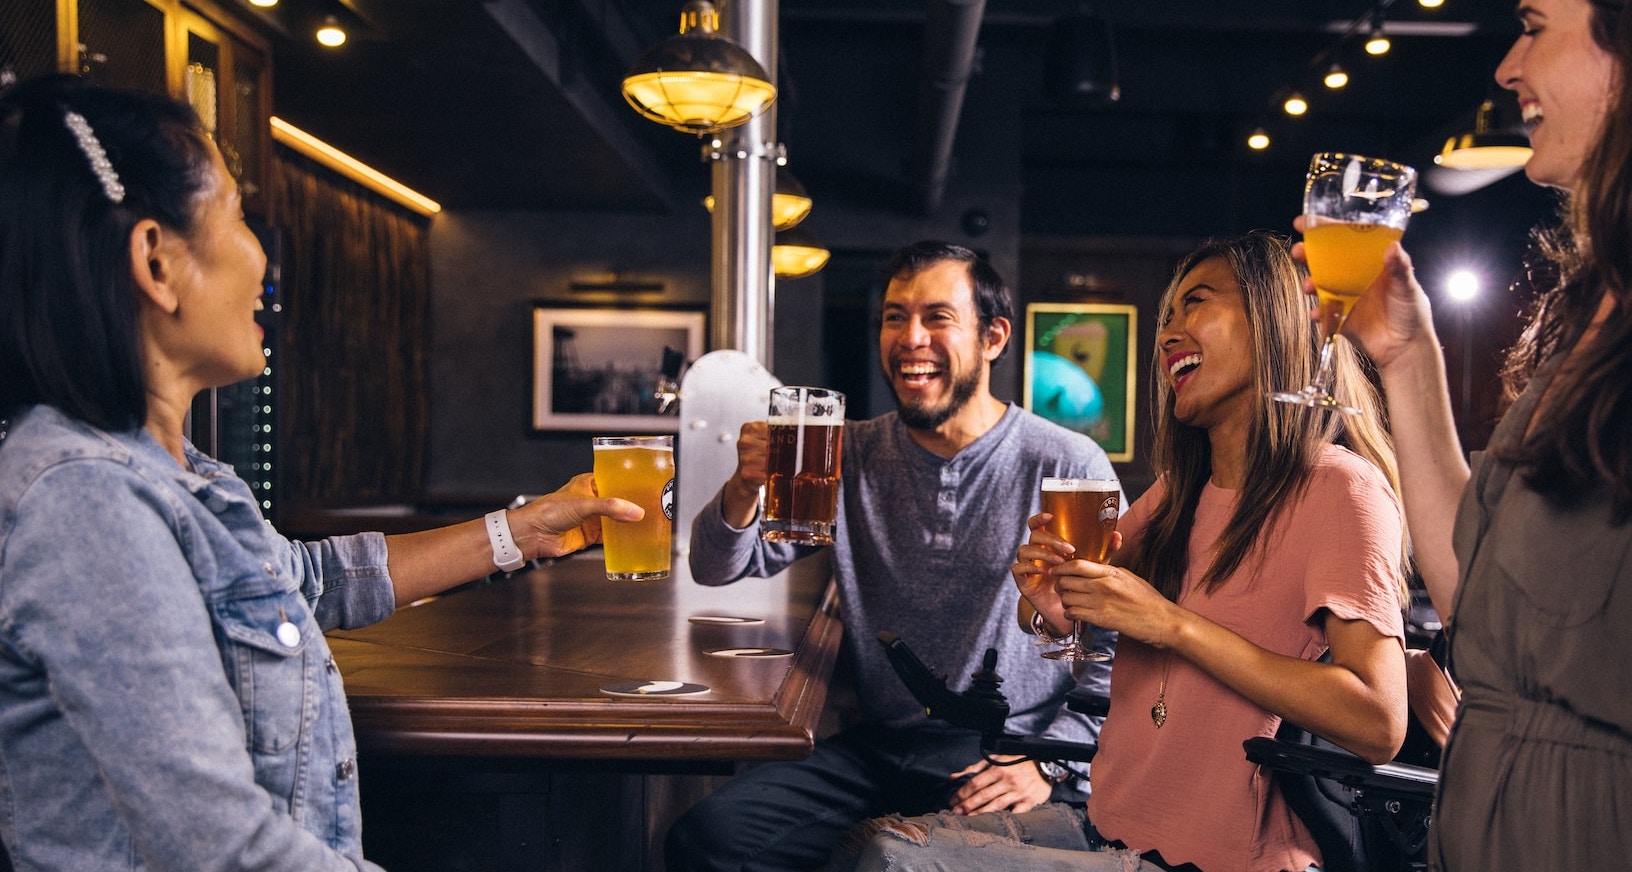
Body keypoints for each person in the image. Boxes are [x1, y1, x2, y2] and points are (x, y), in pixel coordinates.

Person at [0, 75, 642, 870]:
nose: (263, 254)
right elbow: (224, 847)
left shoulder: (175, 474)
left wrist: (517, 531)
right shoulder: (87, 503)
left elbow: (300, 581)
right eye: (237, 214)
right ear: (156, 263)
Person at [838, 231, 1410, 872]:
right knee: (865, 845)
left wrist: (1172, 625)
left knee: (892, 862)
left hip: (1226, 859)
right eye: (1167, 316)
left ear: (1275, 320)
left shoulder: (1339, 488)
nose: (1168, 333)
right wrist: (1051, 605)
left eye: (1195, 304)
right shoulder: (1177, 495)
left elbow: (1378, 722)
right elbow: (1072, 625)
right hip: (1115, 826)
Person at [665, 240, 1121, 871]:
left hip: (1007, 753)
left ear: (993, 338)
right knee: (710, 837)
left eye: (937, 317)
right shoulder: (842, 454)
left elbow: (1114, 646)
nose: (910, 338)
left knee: (882, 864)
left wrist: (1050, 761)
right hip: (882, 749)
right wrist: (744, 488)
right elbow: (718, 568)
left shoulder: (1066, 464)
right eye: (894, 316)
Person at [1301, 0, 1632, 865]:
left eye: (1535, 26)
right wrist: (1407, 357)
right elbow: (1474, 598)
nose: (1506, 67)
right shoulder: (1591, 313)